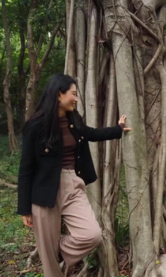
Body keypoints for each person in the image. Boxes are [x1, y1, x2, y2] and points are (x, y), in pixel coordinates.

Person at [17, 73, 130, 277]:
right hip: (44, 192)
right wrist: (24, 208)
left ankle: (55, 251)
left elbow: (91, 134)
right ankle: (50, 255)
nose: (76, 99)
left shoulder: (73, 119)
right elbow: (26, 168)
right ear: (59, 95)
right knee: (50, 265)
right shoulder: (35, 126)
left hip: (73, 184)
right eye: (73, 94)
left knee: (92, 235)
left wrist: (118, 129)